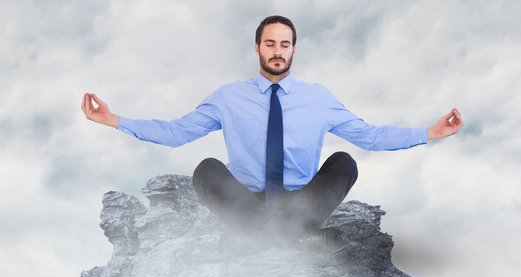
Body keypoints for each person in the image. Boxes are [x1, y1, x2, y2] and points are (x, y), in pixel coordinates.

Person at [82, 15, 463, 242]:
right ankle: (294, 236)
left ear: (294, 50)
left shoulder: (319, 98)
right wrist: (114, 120)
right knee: (206, 169)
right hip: (245, 201)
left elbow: (371, 136)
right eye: (270, 43)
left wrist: (430, 133)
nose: (277, 50)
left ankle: (274, 234)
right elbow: (178, 132)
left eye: (285, 44)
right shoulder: (228, 97)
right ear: (257, 49)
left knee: (345, 160)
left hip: (303, 201)